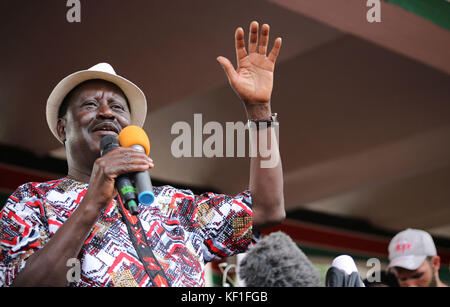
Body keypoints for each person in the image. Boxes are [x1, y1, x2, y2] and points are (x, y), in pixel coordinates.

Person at [0, 21, 285, 287]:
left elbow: (265, 209)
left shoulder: (177, 207)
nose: (106, 111)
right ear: (63, 128)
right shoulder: (32, 203)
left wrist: (259, 111)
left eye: (117, 107)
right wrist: (92, 203)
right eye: (89, 104)